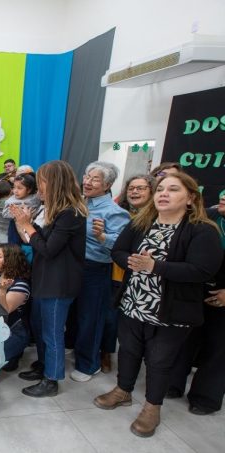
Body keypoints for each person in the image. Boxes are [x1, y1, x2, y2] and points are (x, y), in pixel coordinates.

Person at [94, 172, 221, 438]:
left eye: (173, 189)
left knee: (159, 360)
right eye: (161, 188)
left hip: (172, 310)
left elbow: (202, 270)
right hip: (133, 302)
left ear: (191, 198)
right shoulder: (142, 222)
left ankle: (152, 407)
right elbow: (118, 250)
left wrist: (154, 266)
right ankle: (123, 390)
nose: (163, 193)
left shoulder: (202, 229)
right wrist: (130, 261)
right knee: (128, 351)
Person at [12, 160, 87, 398]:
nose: (38, 188)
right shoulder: (55, 211)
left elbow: (48, 249)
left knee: (52, 333)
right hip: (45, 278)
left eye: (42, 182)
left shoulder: (70, 214)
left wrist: (27, 225)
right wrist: (26, 224)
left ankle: (52, 379)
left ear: (54, 183)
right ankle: (44, 365)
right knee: (40, 326)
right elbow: (38, 241)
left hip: (59, 283)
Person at [70, 162, 130, 383]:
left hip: (94, 269)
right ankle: (76, 350)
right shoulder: (78, 203)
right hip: (72, 265)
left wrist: (103, 237)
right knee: (74, 314)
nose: (87, 182)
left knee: (91, 317)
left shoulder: (115, 212)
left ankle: (89, 364)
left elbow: (121, 246)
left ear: (107, 185)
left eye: (95, 179)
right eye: (86, 176)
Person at [166, 190, 225, 415]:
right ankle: (172, 383)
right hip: (195, 288)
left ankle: (205, 397)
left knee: (218, 347)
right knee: (183, 339)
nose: (223, 197)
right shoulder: (206, 217)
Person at [102, 174, 155, 373]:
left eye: (140, 188)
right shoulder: (121, 212)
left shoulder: (158, 219)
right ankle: (106, 352)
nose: (134, 192)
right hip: (114, 272)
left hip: (142, 280)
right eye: (131, 188)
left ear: (152, 191)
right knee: (110, 318)